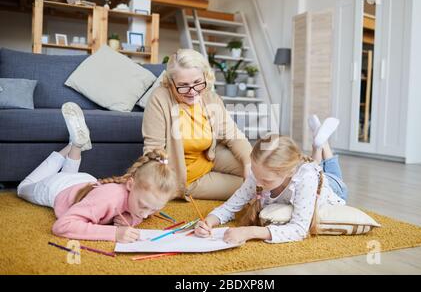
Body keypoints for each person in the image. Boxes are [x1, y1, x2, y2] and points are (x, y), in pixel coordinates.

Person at [17, 102, 178, 243]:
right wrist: (114, 233)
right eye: (143, 207)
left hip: (85, 182)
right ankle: (71, 145)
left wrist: (131, 218)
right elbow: (62, 226)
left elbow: (140, 213)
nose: (145, 216)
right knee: (23, 188)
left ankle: (76, 145)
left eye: (153, 209)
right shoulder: (108, 198)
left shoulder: (139, 195)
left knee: (68, 174)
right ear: (130, 185)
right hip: (56, 188)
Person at [194, 116, 348, 244]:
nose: (258, 184)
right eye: (255, 175)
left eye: (266, 181)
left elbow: (300, 229)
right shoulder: (260, 174)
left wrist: (251, 232)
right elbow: (229, 206)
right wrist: (208, 222)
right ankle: (318, 145)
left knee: (330, 171)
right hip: (309, 173)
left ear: (289, 172)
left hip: (334, 189)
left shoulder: (305, 178)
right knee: (315, 165)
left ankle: (322, 145)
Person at [142, 49, 253, 201]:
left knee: (260, 171)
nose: (192, 91)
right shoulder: (159, 99)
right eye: (183, 85)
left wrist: (248, 163)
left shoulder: (210, 97)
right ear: (171, 83)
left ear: (205, 77)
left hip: (210, 158)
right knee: (249, 187)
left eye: (197, 83)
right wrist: (158, 187)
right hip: (186, 177)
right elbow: (153, 150)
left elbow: (233, 135)